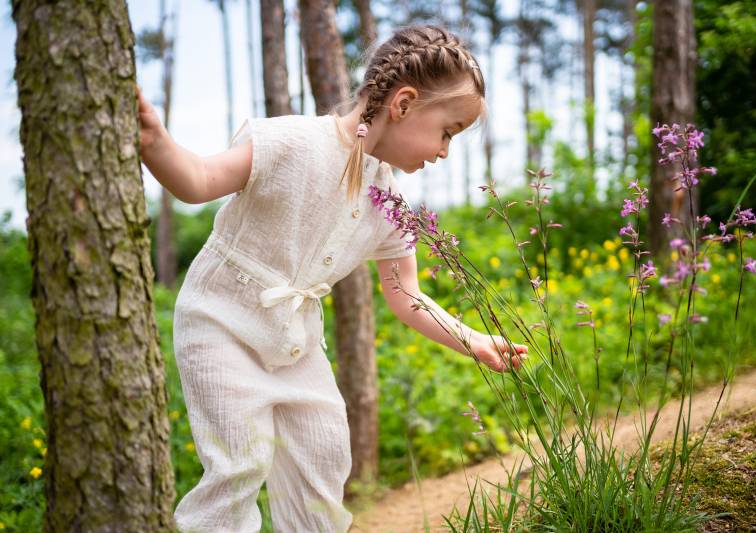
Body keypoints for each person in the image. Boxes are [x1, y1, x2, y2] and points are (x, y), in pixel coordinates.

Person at [137, 23, 529, 533]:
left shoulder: (389, 204)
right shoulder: (291, 141)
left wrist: (473, 339)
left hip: (295, 343)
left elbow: (407, 294)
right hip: (221, 324)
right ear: (404, 104)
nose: (443, 152)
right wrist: (155, 142)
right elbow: (200, 180)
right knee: (239, 465)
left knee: (324, 457)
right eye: (447, 132)